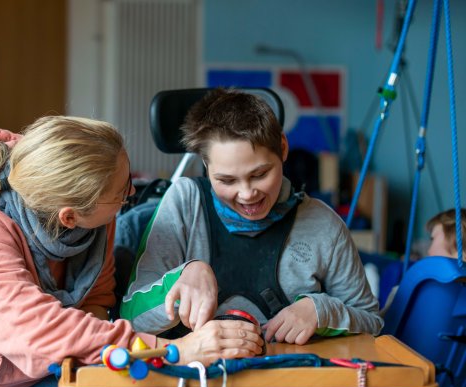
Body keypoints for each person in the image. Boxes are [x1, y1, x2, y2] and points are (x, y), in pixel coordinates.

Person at [0, 115, 263, 387]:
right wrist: (176, 351)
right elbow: (34, 329)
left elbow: (95, 302)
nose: (131, 192)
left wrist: (107, 352)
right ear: (69, 216)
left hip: (31, 372)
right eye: (121, 191)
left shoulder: (96, 215)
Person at [120, 88, 383, 345]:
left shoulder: (322, 224)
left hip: (287, 383)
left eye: (259, 175)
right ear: (206, 165)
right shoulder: (185, 204)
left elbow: (372, 321)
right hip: (196, 382)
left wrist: (320, 311)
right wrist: (179, 281)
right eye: (227, 180)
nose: (247, 194)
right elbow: (130, 318)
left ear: (282, 148)